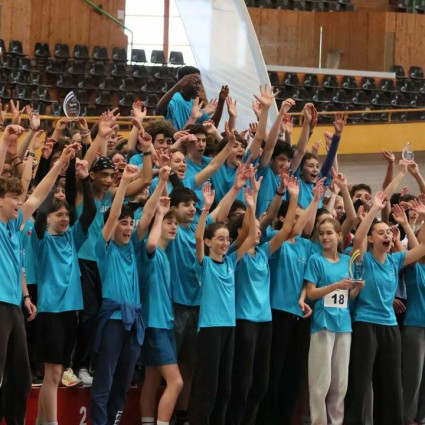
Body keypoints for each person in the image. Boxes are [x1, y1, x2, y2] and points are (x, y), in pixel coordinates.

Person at [0, 127, 76, 425]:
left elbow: (39, 194)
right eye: (13, 197)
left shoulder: (14, 225)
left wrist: (60, 165)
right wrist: (6, 142)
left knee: (20, 378)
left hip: (13, 306)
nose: (20, 202)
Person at [344, 162, 425, 425]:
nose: (387, 235)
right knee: (360, 383)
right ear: (371, 239)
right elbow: (358, 238)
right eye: (381, 232)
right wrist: (375, 210)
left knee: (391, 386)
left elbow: (421, 249)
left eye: (389, 232)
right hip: (365, 325)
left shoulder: (395, 260)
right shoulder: (363, 259)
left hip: (390, 328)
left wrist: (415, 221)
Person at [189, 182, 258, 425]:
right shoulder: (205, 264)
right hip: (210, 329)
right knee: (207, 388)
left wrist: (251, 206)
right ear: (210, 242)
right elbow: (198, 237)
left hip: (229, 328)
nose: (225, 243)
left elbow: (251, 237)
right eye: (220, 239)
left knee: (225, 388)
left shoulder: (230, 262)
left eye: (227, 239)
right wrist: (205, 209)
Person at [33, 159, 96, 425]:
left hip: (71, 312)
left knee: (56, 374)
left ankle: (40, 422)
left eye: (67, 215)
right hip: (50, 313)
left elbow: (90, 211)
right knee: (54, 373)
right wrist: (54, 189)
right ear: (48, 217)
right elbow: (38, 217)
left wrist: (85, 180)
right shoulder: (41, 240)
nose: (65, 219)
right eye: (59, 215)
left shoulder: (73, 237)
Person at [89, 165, 145, 425]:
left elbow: (147, 217)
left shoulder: (132, 247)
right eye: (124, 223)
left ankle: (113, 421)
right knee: (105, 379)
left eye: (131, 223)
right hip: (113, 319)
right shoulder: (105, 248)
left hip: (134, 320)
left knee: (123, 381)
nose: (129, 227)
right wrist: (124, 183)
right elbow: (112, 215)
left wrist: (162, 180)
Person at [305, 218, 364, 425]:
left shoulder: (347, 261)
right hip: (323, 322)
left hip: (344, 324)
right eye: (321, 233)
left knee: (340, 382)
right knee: (321, 381)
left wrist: (356, 289)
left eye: (329, 233)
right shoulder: (316, 260)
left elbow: (349, 297)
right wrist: (336, 285)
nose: (324, 237)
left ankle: (336, 422)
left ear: (339, 236)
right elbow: (311, 293)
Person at [139, 198, 183, 425]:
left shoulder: (165, 255)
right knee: (176, 382)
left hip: (163, 323)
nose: (174, 227)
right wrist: (159, 215)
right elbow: (151, 244)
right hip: (155, 324)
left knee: (152, 379)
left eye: (175, 223)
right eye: (169, 222)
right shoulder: (151, 252)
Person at [156, 66, 226, 130]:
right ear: (183, 82)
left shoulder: (193, 103)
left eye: (200, 83)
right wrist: (178, 85)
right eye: (196, 83)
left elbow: (212, 127)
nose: (199, 86)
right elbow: (159, 112)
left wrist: (221, 102)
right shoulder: (176, 99)